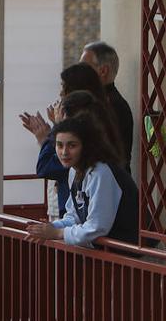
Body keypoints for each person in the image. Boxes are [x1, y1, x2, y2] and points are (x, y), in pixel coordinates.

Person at [20, 64, 123, 215]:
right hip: (76, 210)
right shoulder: (103, 116)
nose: (61, 93)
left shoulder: (98, 166)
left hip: (87, 214)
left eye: (64, 87)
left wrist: (47, 137)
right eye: (59, 145)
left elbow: (47, 167)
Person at [24, 115, 139, 248]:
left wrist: (57, 232)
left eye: (72, 145)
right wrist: (49, 228)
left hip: (138, 256)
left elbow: (97, 227)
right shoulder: (74, 171)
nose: (64, 152)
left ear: (86, 146)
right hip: (113, 255)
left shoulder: (101, 172)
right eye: (59, 145)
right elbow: (74, 216)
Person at [80, 40, 134, 174]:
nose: (79, 72)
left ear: (103, 71)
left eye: (84, 67)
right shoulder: (97, 102)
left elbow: (94, 149)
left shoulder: (112, 106)